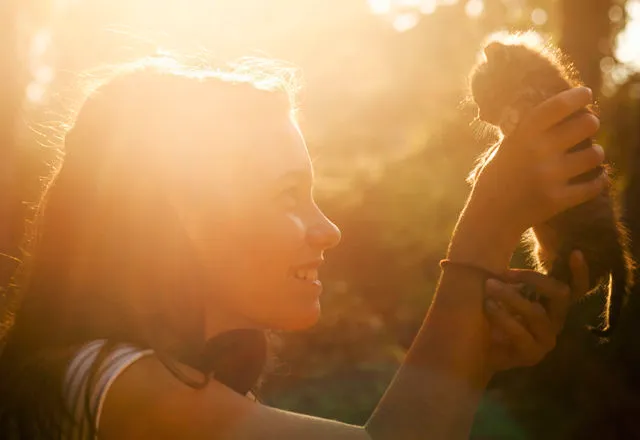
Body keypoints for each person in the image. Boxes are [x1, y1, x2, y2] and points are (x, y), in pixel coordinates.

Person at [0, 56, 602, 439]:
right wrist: (488, 224)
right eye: (288, 196)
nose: (328, 230)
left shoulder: (169, 389)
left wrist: (474, 359)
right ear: (175, 214)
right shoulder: (114, 383)